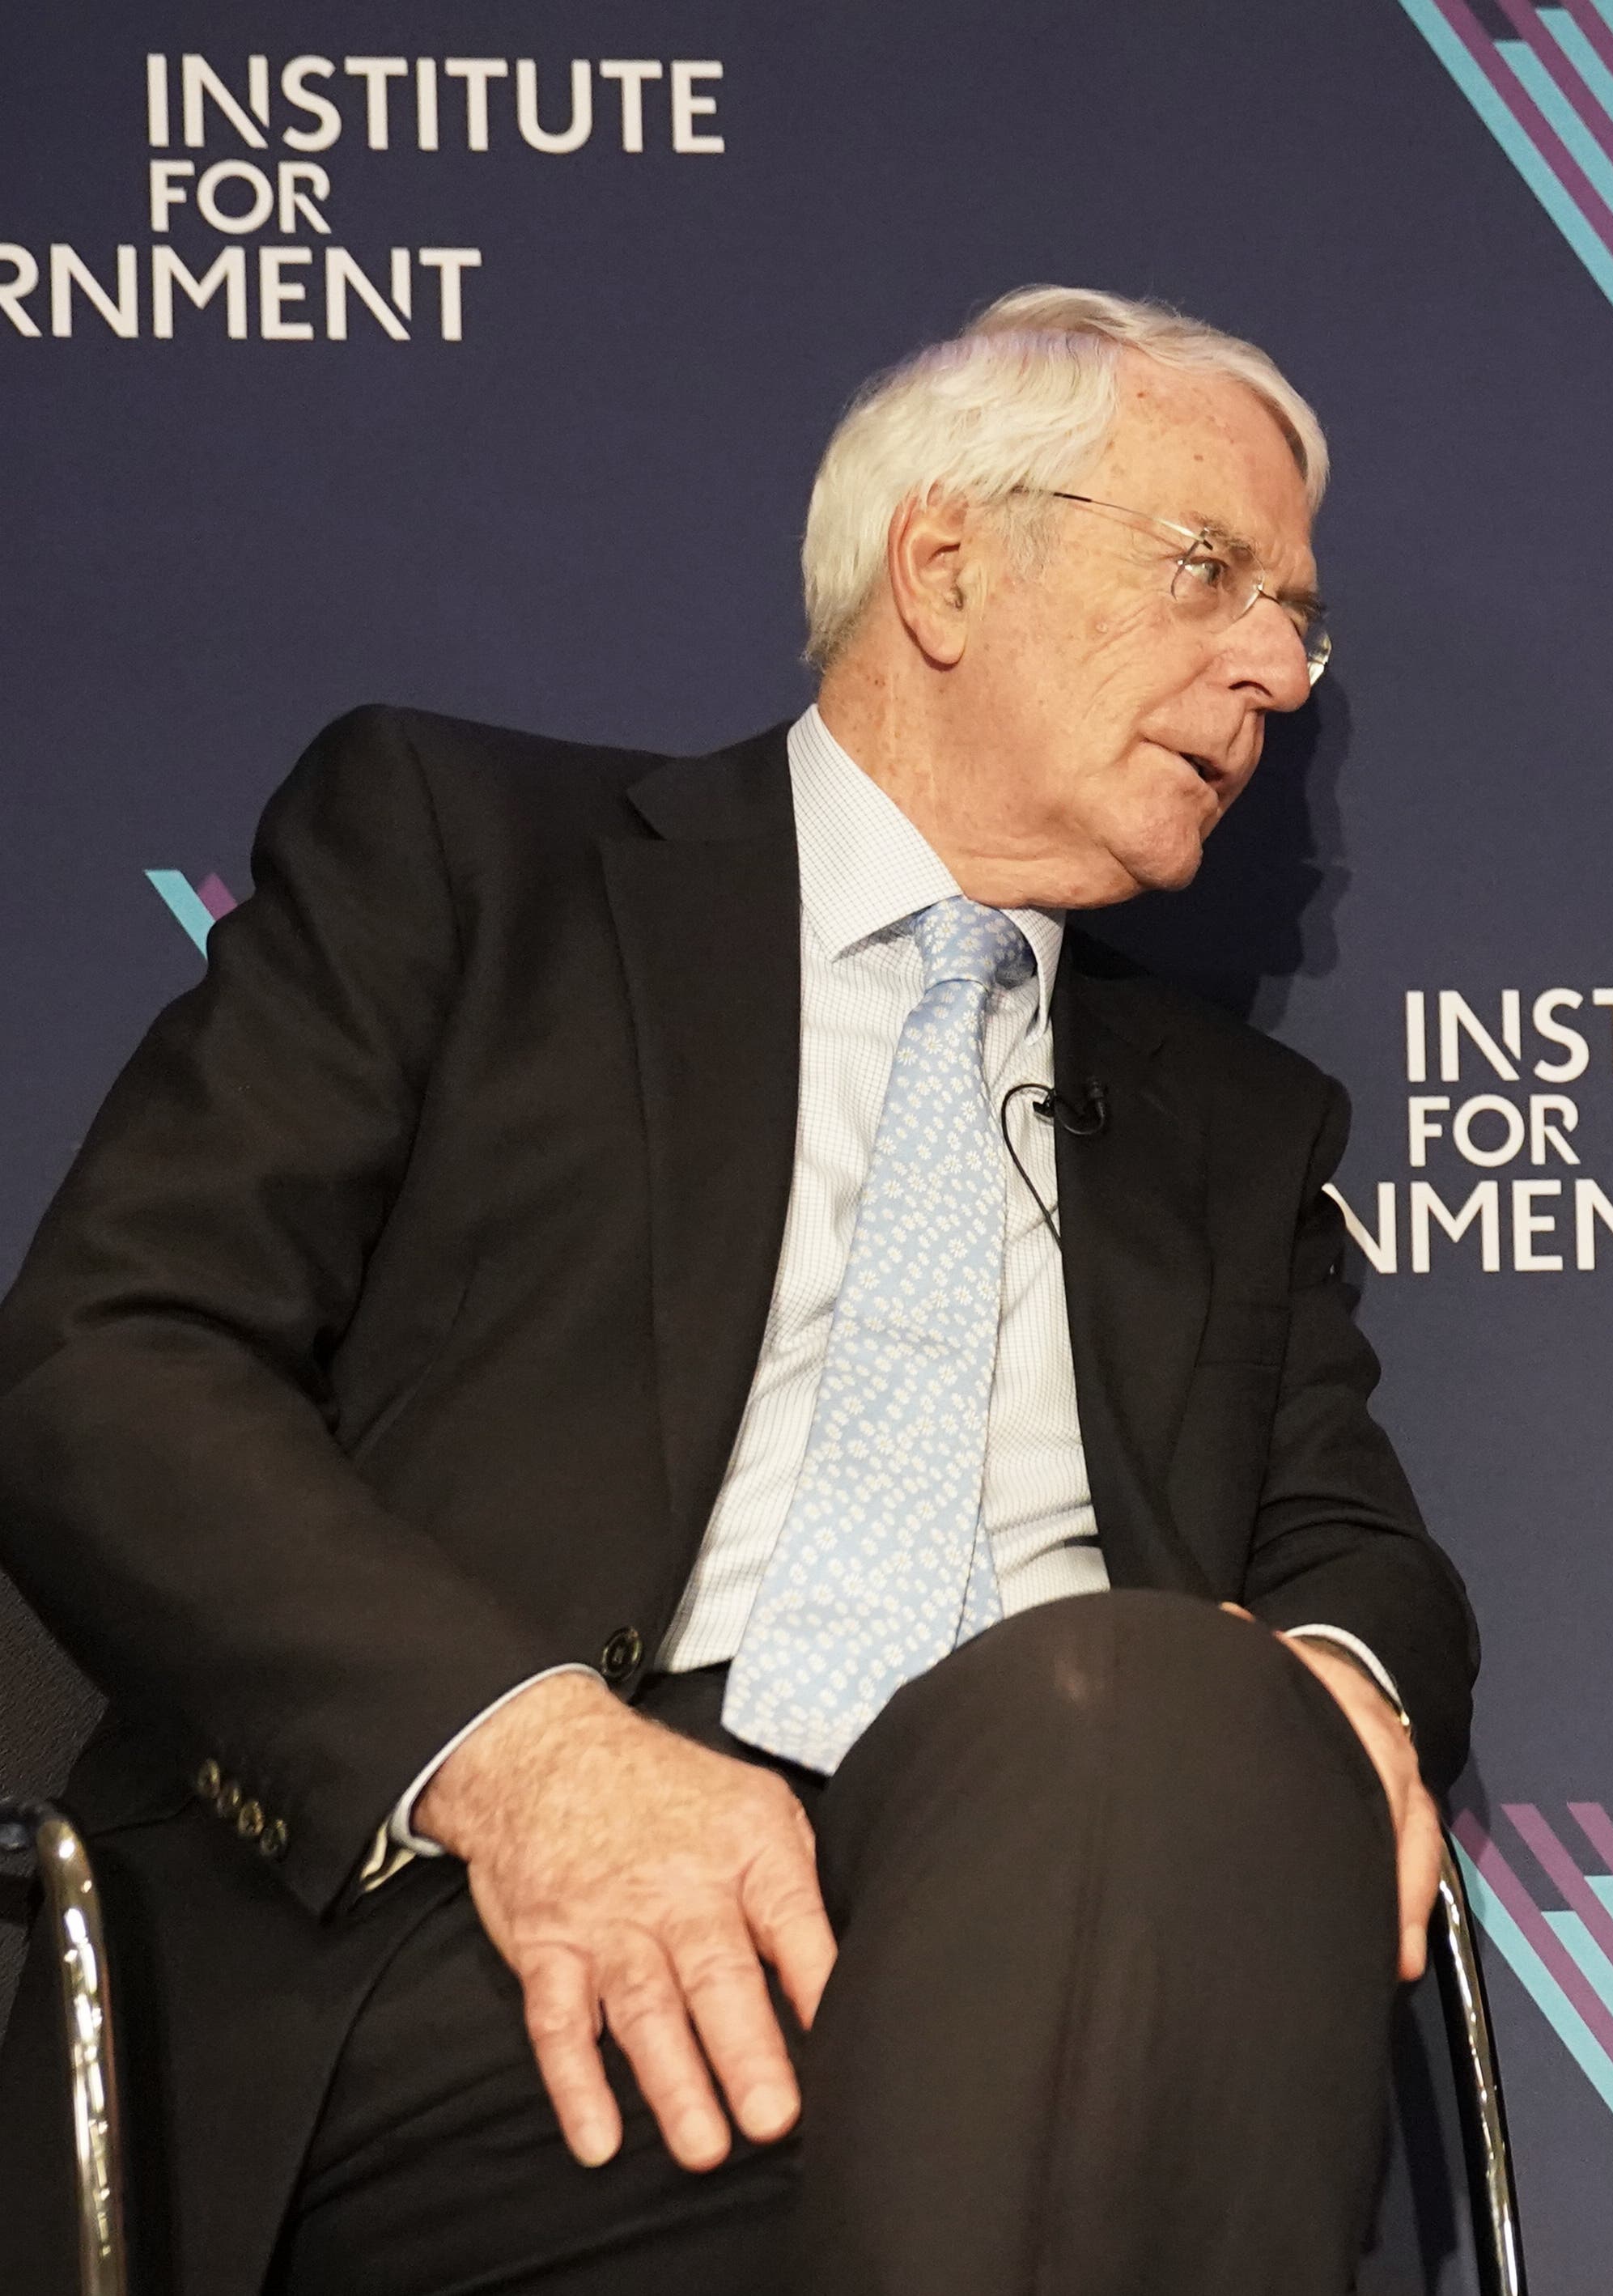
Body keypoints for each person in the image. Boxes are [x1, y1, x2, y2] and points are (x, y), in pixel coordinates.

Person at [0, 286, 1472, 2296]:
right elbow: (115, 1365)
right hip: (502, 1929)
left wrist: (1312, 1702)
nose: (1276, 677)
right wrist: (525, 1758)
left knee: (1158, 1714)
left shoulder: (1234, 1128)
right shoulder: (473, 859)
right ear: (943, 564)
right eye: (1211, 572)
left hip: (1083, 1892)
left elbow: (1356, 1551)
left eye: (1296, 620)